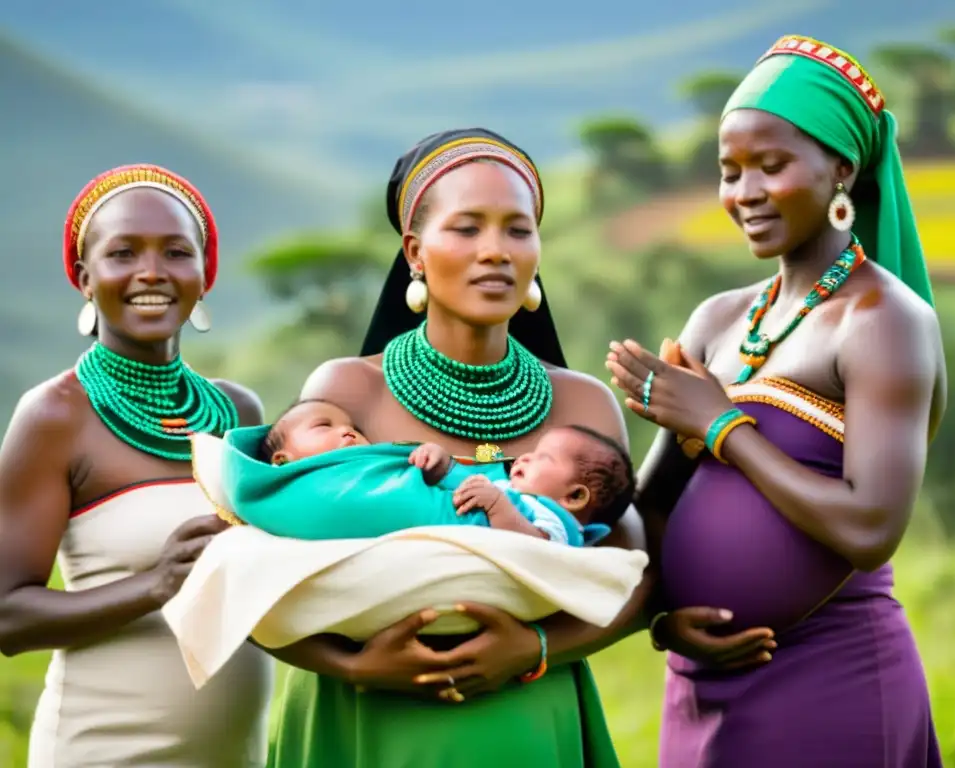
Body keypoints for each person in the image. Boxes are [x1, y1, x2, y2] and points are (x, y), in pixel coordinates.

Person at [260, 129, 649, 768]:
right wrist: (354, 666)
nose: (495, 252)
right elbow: (262, 566)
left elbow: (635, 573)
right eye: (467, 229)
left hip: (528, 721)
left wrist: (536, 649)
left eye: (517, 231)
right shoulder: (345, 393)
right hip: (365, 725)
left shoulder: (583, 406)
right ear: (414, 251)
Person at [607, 35, 947, 766]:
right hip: (700, 687)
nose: (744, 193)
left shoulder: (884, 322)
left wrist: (721, 423)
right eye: (729, 172)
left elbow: (870, 527)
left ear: (841, 173)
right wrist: (661, 616)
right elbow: (655, 505)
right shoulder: (718, 320)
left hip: (834, 685)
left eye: (771, 166)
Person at [0, 164, 274, 766]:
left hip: (235, 751)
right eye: (123, 253)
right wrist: (155, 586)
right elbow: (8, 614)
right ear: (84, 277)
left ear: (204, 275)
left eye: (177, 252)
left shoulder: (237, 409)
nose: (151, 272)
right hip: (103, 749)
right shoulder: (55, 416)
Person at [232, 397, 633, 546]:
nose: (348, 432)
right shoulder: (346, 383)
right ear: (414, 250)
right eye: (327, 427)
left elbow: (539, 551)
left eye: (542, 458)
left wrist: (495, 504)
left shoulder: (550, 518)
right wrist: (445, 469)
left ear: (577, 497)